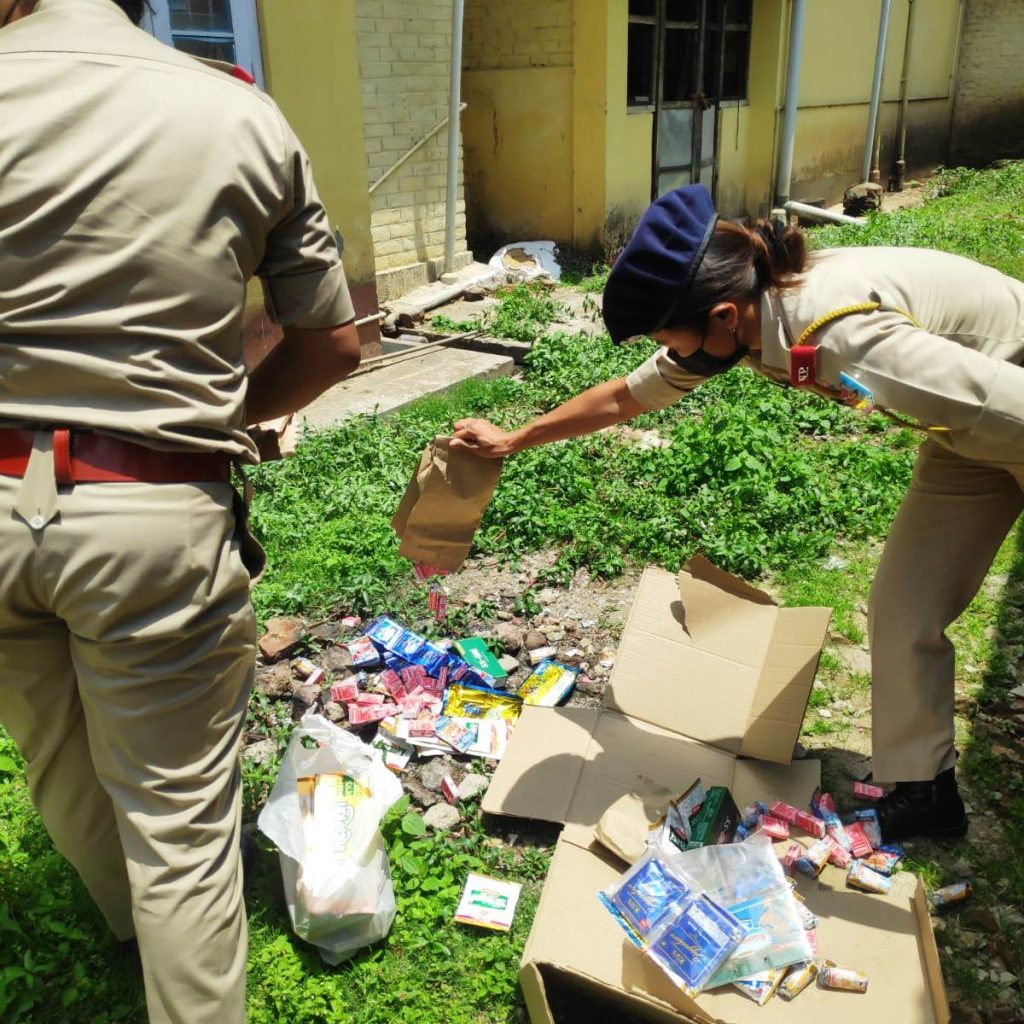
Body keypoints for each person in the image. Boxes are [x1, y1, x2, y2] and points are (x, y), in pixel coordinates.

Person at [452, 182, 1024, 843]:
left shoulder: (839, 335)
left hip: (1006, 400)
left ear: (723, 315)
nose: (674, 354)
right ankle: (925, 793)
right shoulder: (747, 315)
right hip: (967, 437)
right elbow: (623, 398)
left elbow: (1003, 404)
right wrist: (513, 439)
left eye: (674, 337)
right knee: (905, 604)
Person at [0, 1, 360, 1021]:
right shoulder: (238, 116)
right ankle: (172, 958)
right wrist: (208, 421)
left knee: (55, 746)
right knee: (181, 828)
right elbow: (331, 344)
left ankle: (123, 925)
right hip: (150, 505)